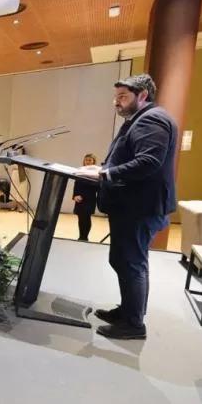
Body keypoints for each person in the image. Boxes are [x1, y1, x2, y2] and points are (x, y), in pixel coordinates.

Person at [76, 74, 177, 340]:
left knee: (132, 263)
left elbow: (148, 161)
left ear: (142, 95)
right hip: (131, 206)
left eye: (122, 97)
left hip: (139, 207)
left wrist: (106, 174)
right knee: (123, 260)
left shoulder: (152, 120)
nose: (116, 102)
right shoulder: (139, 119)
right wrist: (102, 168)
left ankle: (133, 325)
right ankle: (128, 311)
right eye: (116, 97)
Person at [73, 154, 100, 241]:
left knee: (87, 218)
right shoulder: (80, 170)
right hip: (79, 198)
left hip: (89, 198)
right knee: (80, 218)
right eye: (86, 160)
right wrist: (75, 196)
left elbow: (97, 186)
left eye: (90, 160)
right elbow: (76, 185)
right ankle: (81, 236)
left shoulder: (97, 172)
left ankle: (85, 237)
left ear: (93, 162)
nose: (87, 162)